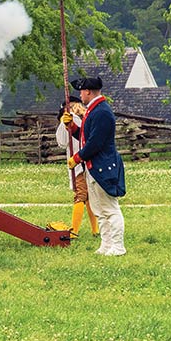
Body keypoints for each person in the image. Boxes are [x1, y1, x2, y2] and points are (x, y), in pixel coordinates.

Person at [61, 76, 126, 256]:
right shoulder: (94, 110)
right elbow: (85, 135)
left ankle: (118, 246)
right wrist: (72, 126)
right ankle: (106, 245)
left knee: (110, 209)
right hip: (94, 166)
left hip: (102, 165)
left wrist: (77, 157)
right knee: (99, 210)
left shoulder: (101, 112)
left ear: (88, 91)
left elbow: (95, 143)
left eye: (81, 91)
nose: (80, 95)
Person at [55, 97, 99, 238]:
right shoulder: (83, 118)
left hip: (80, 163)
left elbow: (61, 142)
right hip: (85, 162)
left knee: (81, 196)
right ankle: (95, 230)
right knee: (88, 197)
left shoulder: (77, 119)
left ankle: (74, 231)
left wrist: (64, 124)